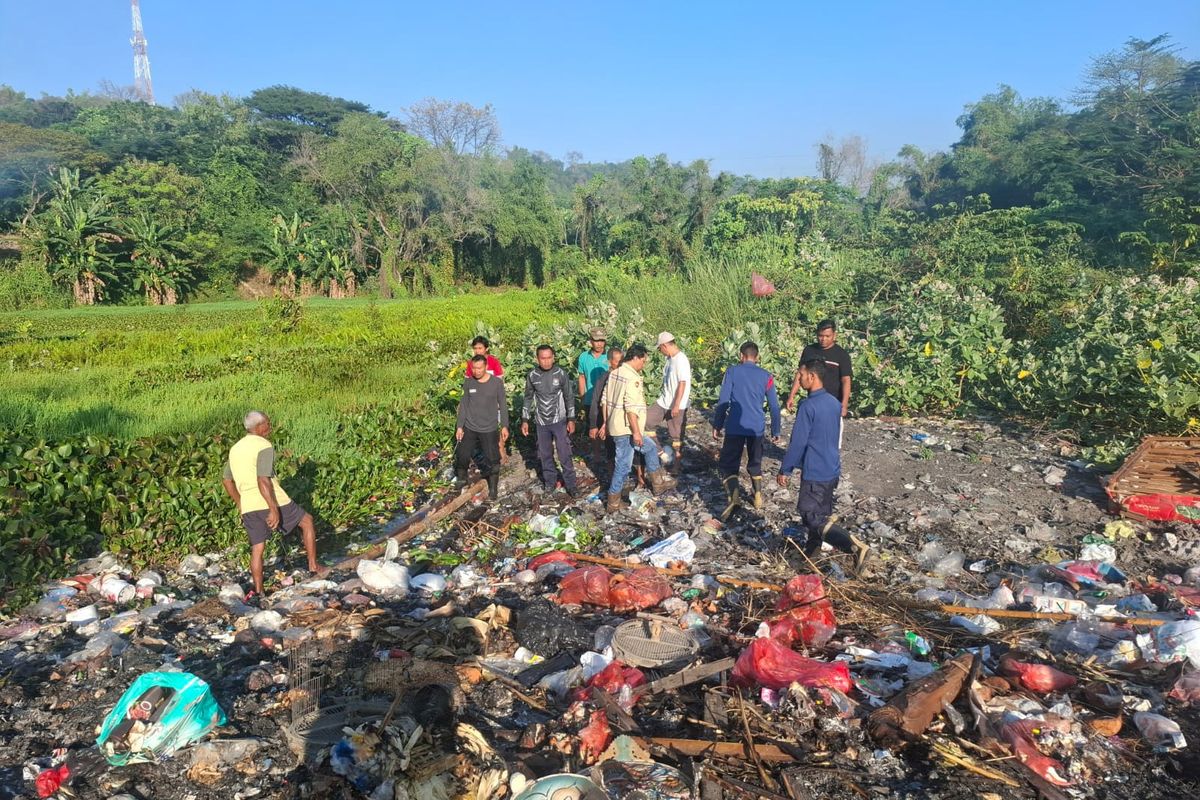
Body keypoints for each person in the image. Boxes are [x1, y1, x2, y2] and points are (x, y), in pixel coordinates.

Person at [777, 360, 869, 572]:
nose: (798, 380)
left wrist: (786, 469)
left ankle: (854, 546)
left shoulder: (808, 406)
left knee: (810, 516)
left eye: (801, 375)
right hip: (831, 466)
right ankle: (811, 556)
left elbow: (798, 441)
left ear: (812, 376)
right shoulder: (833, 403)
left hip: (815, 468)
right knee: (820, 516)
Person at [222, 410, 323, 599]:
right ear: (259, 427)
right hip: (271, 499)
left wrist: (241, 503)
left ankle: (259, 592)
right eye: (268, 423)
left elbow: (227, 481)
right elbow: (263, 480)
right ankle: (313, 566)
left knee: (258, 549)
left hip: (249, 504)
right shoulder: (263, 445)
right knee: (307, 521)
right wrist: (273, 508)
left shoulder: (235, 448)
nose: (270, 427)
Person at [602, 344, 676, 512]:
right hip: (627, 429)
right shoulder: (632, 378)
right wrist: (636, 432)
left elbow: (605, 401)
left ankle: (658, 483)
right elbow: (631, 408)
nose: (644, 364)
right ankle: (613, 502)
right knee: (623, 465)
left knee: (650, 448)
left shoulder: (614, 374)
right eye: (643, 360)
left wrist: (607, 422)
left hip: (618, 425)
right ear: (635, 358)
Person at [712, 341, 782, 521]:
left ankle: (734, 498)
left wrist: (717, 424)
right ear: (757, 357)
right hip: (756, 427)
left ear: (741, 356)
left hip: (735, 425)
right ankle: (757, 496)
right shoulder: (767, 376)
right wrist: (776, 429)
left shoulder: (732, 372)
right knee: (755, 461)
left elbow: (724, 401)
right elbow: (774, 405)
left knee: (729, 463)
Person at [522, 344, 578, 495]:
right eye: (542, 358)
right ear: (537, 359)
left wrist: (571, 419)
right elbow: (527, 398)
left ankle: (571, 484)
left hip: (559, 421)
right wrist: (525, 420)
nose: (546, 362)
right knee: (545, 453)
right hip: (541, 423)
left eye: (549, 358)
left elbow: (569, 397)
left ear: (553, 358)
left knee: (564, 453)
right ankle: (550, 482)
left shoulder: (561, 373)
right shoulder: (532, 376)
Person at [455, 354, 510, 499]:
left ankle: (493, 488)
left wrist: (504, 425)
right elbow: (464, 405)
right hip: (470, 426)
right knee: (462, 454)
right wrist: (460, 426)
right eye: (474, 368)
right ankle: (462, 479)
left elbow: (503, 405)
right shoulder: (469, 382)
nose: (476, 371)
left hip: (489, 428)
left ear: (486, 367)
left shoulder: (496, 383)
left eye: (479, 368)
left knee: (493, 459)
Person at [646, 331, 692, 473]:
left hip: (677, 404)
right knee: (646, 422)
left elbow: (682, 383)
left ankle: (676, 466)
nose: (660, 351)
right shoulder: (669, 360)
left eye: (660, 348)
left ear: (665, 345)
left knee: (676, 435)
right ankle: (661, 454)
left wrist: (676, 404)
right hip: (664, 401)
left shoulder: (681, 359)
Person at [786, 320, 852, 418]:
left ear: (834, 335)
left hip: (833, 403)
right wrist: (791, 396)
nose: (823, 339)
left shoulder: (842, 355)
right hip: (813, 402)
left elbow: (846, 380)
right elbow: (800, 374)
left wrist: (844, 405)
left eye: (827, 336)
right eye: (820, 336)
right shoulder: (809, 351)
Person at [587, 345, 623, 482]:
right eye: (617, 361)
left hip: (621, 421)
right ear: (609, 362)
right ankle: (613, 478)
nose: (620, 364)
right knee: (611, 449)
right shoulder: (604, 379)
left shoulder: (624, 376)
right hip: (607, 420)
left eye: (622, 361)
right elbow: (596, 401)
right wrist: (594, 424)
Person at [577, 327, 610, 459]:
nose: (599, 344)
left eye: (602, 340)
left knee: (609, 425)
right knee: (593, 425)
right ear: (591, 341)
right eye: (596, 341)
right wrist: (582, 396)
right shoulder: (583, 357)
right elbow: (581, 377)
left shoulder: (610, 356)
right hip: (590, 398)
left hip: (607, 399)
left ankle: (609, 454)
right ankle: (596, 454)